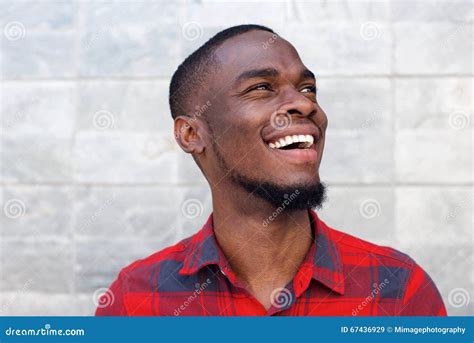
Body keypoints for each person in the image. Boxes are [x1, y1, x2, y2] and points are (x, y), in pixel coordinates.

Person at [96, 24, 446, 316]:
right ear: (191, 134)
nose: (304, 104)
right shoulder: (135, 300)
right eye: (261, 88)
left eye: (308, 88)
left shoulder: (397, 288)